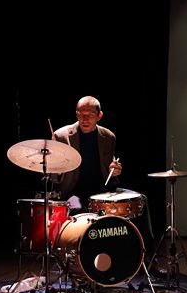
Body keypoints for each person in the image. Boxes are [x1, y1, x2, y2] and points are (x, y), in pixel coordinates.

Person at [51, 96, 156, 268]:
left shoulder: (108, 136)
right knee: (76, 209)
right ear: (76, 114)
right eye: (80, 114)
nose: (85, 119)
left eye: (90, 114)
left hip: (102, 190)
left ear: (99, 116)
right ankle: (79, 264)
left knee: (140, 200)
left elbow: (110, 171)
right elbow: (54, 178)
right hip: (74, 191)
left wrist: (114, 170)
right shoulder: (61, 136)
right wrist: (57, 168)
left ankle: (149, 261)